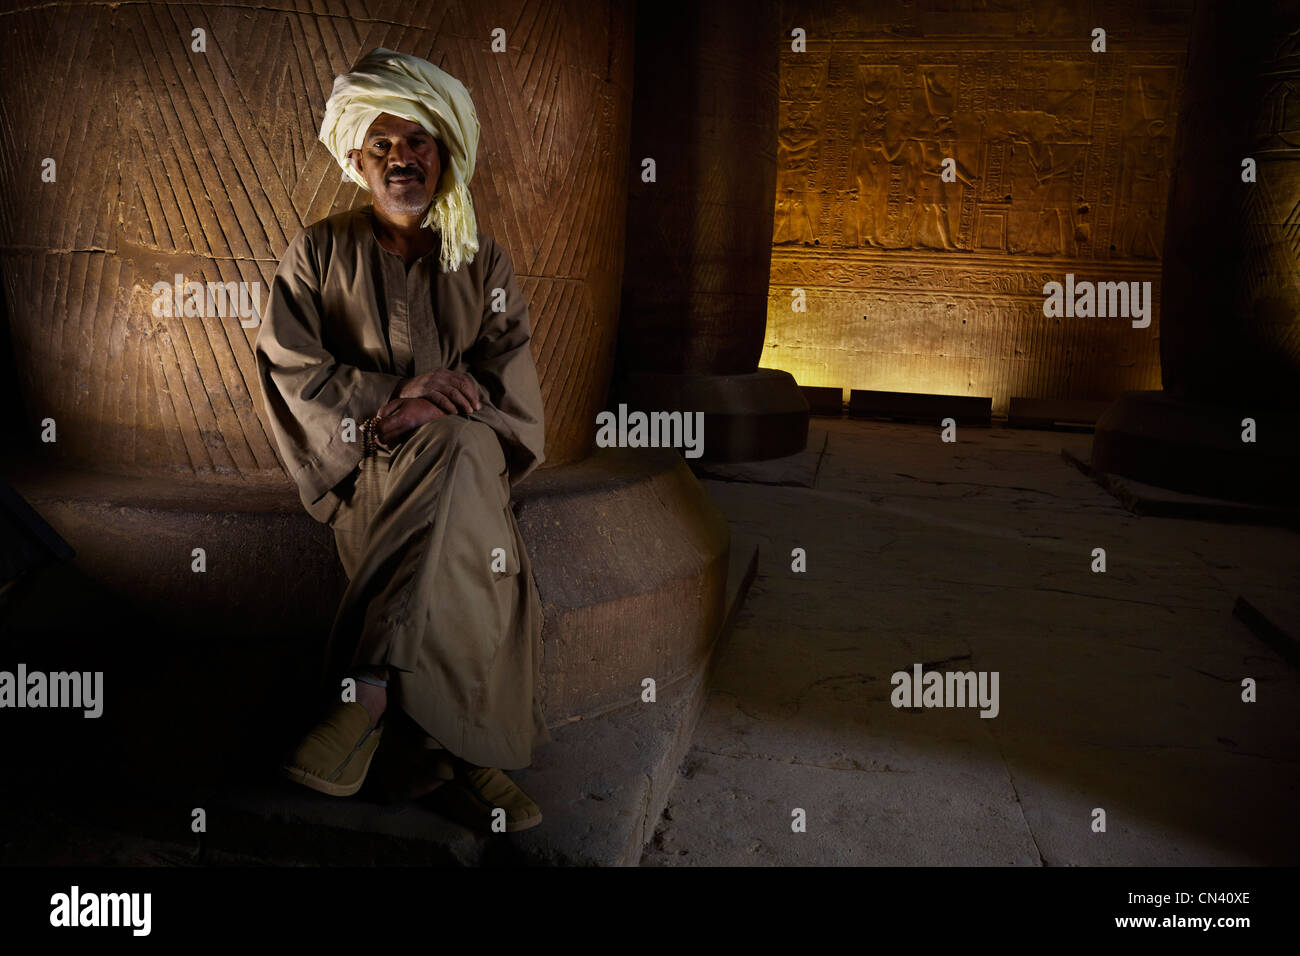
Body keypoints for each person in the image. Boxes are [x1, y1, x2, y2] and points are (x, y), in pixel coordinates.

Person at [253, 47, 549, 832]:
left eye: (416, 142)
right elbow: (289, 369)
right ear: (357, 159)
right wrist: (396, 395)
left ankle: (368, 691)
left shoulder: (482, 258)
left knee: (456, 453)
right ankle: (458, 755)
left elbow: (509, 388)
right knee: (462, 526)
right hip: (366, 466)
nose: (400, 160)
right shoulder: (318, 251)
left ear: (443, 153)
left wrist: (448, 411)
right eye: (382, 145)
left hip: (470, 451)